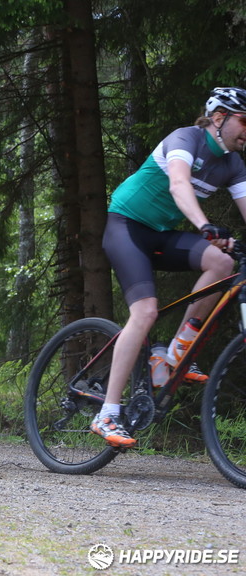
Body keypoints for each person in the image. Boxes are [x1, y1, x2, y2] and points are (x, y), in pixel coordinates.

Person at [93, 87, 246, 448]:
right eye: (244, 121)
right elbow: (178, 185)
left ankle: (178, 350)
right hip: (126, 226)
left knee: (222, 262)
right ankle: (107, 413)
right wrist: (204, 225)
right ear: (219, 117)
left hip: (160, 234)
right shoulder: (186, 138)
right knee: (145, 312)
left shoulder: (233, 164)